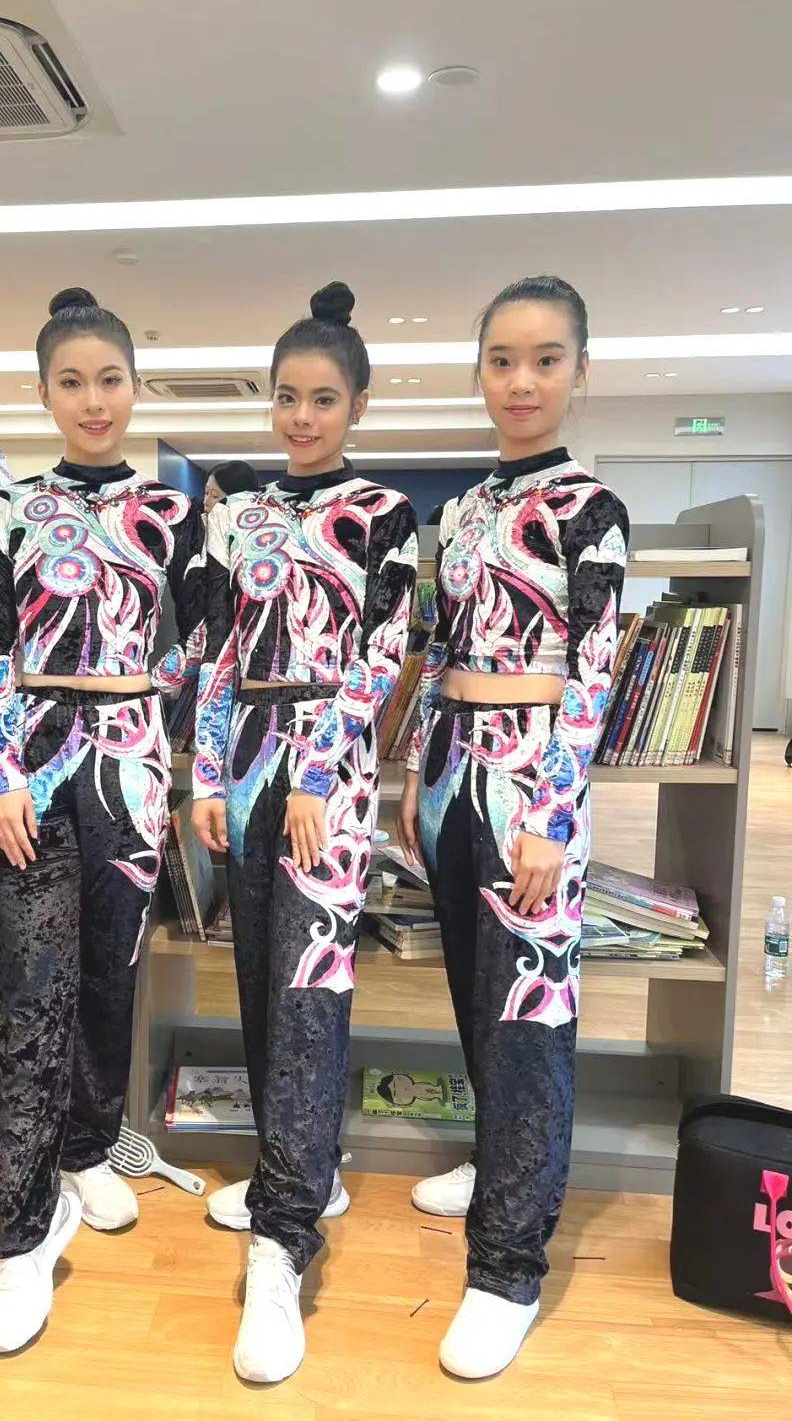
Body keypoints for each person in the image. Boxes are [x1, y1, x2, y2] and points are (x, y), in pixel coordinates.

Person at [399, 275, 629, 1379]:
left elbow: (594, 672)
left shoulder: (592, 508)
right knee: (472, 993)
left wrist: (552, 812)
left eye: (545, 359)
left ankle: (508, 1269)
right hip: (451, 768)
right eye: (502, 360)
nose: (522, 381)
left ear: (580, 370)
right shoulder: (462, 510)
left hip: (534, 779)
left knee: (531, 1017)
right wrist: (413, 768)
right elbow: (439, 644)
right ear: (479, 372)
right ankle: (500, 1166)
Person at [191, 282, 418, 1383]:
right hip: (244, 763)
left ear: (358, 405)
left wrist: (319, 771)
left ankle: (283, 1248)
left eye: (323, 399)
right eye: (286, 397)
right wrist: (204, 771)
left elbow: (380, 659)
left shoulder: (385, 514)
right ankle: (299, 1168)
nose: (301, 418)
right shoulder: (238, 514)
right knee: (253, 979)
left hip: (331, 771)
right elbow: (216, 650)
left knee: (310, 993)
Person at [0, 286, 204, 1354]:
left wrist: (148, 705)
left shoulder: (176, 515)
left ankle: (86, 1146)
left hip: (134, 768)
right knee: (30, 998)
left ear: (135, 386)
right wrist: (2, 772)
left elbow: (206, 641)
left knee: (111, 979)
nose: (93, 400)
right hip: (35, 770)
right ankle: (21, 1241)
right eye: (71, 382)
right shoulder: (8, 509)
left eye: (110, 379)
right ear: (44, 394)